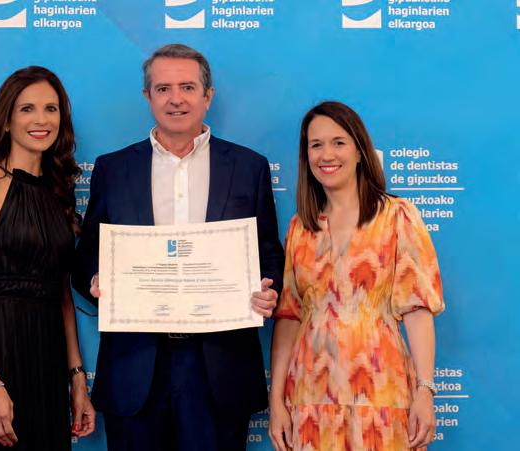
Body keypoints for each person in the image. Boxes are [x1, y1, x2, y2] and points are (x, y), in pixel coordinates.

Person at [72, 44, 285, 451]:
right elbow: (86, 257)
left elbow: (268, 252)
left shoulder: (248, 167)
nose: (176, 99)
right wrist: (96, 279)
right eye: (163, 88)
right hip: (136, 366)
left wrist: (268, 288)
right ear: (147, 96)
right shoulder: (113, 168)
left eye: (187, 87)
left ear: (208, 96)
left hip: (219, 367)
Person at [269, 101, 444, 451]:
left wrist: (425, 390)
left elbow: (418, 310)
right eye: (316, 145)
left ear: (360, 151)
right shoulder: (300, 228)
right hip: (310, 396)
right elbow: (289, 317)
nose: (326, 154)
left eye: (339, 142)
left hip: (382, 392)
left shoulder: (397, 216)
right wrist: (276, 402)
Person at [0, 66, 95, 450]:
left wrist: (77, 378)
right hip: (0, 351)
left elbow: (62, 294)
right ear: (6, 120)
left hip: (48, 355)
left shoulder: (59, 192)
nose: (41, 120)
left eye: (51, 109)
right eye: (27, 109)